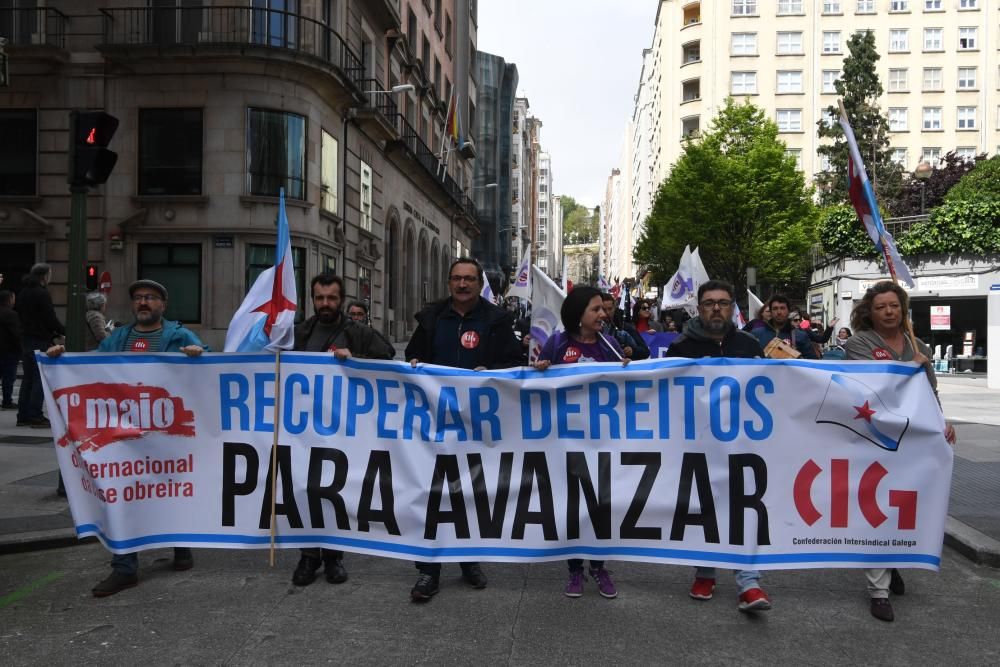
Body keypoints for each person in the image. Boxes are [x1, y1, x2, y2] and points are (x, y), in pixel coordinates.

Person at [47, 279, 206, 597]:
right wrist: (60, 360)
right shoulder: (118, 338)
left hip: (167, 435)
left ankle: (181, 546)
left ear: (163, 304)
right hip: (125, 437)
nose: (143, 303)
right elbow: (91, 368)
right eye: (138, 298)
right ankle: (124, 567)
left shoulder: (179, 336)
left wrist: (198, 355)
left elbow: (209, 370)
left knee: (171, 491)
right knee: (123, 495)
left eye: (150, 298)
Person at [405, 257, 522, 602]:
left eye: (469, 279)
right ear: (449, 282)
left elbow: (515, 362)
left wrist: (492, 370)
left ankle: (469, 560)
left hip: (477, 425)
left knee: (472, 495)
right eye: (457, 278)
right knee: (432, 495)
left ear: (479, 283)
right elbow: (413, 355)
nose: (462, 284)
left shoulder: (497, 320)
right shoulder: (431, 318)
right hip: (436, 424)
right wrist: (413, 364)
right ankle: (429, 569)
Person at [843, 281, 956, 623]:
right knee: (876, 508)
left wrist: (942, 422)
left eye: (894, 306)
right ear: (870, 313)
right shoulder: (858, 344)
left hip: (914, 440)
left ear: (903, 310)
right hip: (875, 439)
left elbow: (929, 392)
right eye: (881, 307)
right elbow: (874, 387)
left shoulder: (916, 344)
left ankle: (891, 562)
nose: (889, 312)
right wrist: (912, 366)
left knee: (903, 506)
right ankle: (878, 591)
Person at [665, 280, 772, 613]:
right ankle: (705, 572)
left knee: (746, 508)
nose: (715, 308)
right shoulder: (681, 348)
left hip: (744, 443)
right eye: (709, 302)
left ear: (732, 307)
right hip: (699, 444)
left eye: (723, 303)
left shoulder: (750, 345)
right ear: (699, 308)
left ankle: (749, 582)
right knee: (704, 508)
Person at [291, 275, 395, 587]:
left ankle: (334, 557)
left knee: (335, 492)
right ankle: (308, 557)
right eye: (320, 298)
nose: (325, 304)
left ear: (341, 299)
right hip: (304, 430)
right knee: (306, 492)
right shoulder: (299, 333)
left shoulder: (358, 332)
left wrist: (357, 360)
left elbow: (388, 357)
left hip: (344, 430)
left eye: (331, 298)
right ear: (312, 299)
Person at [532, 285, 627, 599]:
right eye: (595, 309)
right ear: (578, 315)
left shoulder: (610, 345)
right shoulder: (557, 344)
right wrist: (541, 370)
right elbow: (535, 387)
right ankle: (575, 570)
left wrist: (629, 371)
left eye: (603, 309)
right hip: (565, 442)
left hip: (602, 443)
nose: (603, 314)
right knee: (572, 505)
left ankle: (599, 567)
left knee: (601, 506)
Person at [16, 263, 65, 427]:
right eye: (50, 274)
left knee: (28, 378)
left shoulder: (23, 292)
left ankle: (23, 415)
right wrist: (62, 330)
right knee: (39, 378)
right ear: (44, 276)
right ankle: (36, 415)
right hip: (40, 339)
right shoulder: (42, 293)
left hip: (26, 338)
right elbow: (49, 317)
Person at [750, 295, 816, 359]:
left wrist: (797, 357)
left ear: (788, 311)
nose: (779, 312)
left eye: (782, 308)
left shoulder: (800, 336)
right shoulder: (756, 334)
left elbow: (812, 364)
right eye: (775, 308)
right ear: (771, 311)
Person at [600, 293, 649, 361]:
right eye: (603, 310)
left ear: (614, 308)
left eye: (610, 309)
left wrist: (632, 350)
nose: (607, 312)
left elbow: (645, 351)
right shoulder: (593, 329)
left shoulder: (625, 327)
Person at [0, 290, 22, 410]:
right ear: (9, 300)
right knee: (8, 377)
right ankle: (7, 401)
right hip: (8, 350)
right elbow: (16, 334)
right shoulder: (11, 314)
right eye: (13, 298)